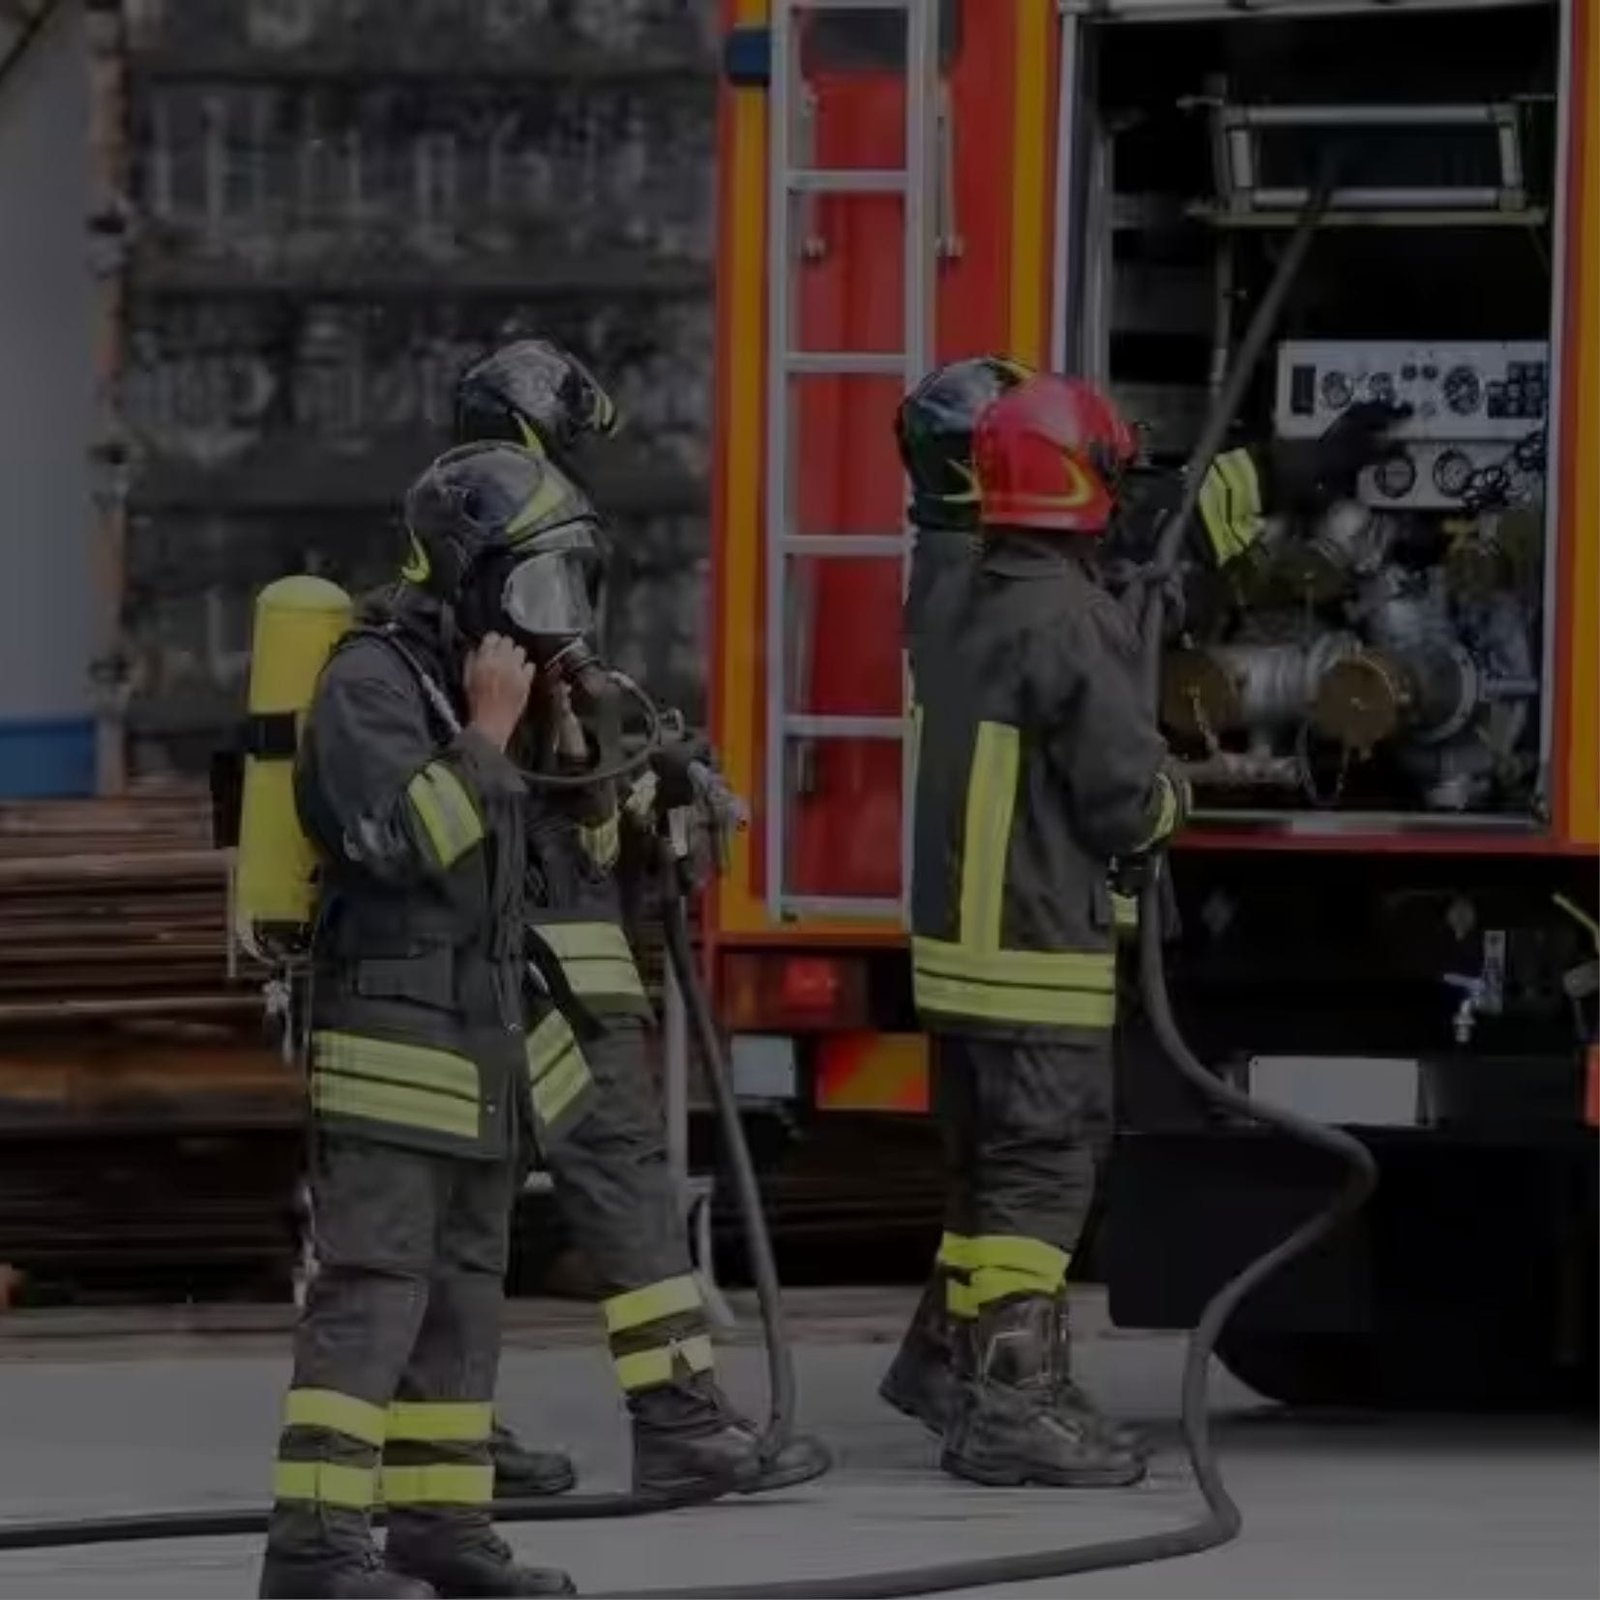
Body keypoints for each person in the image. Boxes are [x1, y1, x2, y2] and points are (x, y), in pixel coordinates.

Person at [453, 339, 830, 1501]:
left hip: (480, 951)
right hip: (552, 940)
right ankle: (678, 1428)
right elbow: (557, 755)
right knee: (616, 1175)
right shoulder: (524, 543)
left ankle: (439, 1443)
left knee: (459, 1201)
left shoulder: (454, 546)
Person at [258, 443, 596, 1599]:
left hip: (475, 1052)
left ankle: (443, 1529)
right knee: (373, 1295)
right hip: (393, 1052)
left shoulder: (461, 679)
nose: (548, 616)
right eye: (533, 587)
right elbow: (396, 838)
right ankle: (313, 1551)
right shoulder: (370, 683)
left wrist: (543, 729)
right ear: (467, 572)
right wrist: (490, 737)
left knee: (463, 1300)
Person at [905, 372, 1188, 1490]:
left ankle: (955, 1370)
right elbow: (1125, 796)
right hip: (1036, 955)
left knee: (986, 1187)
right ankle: (1014, 1405)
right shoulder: (1074, 619)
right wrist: (1176, 796)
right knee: (1042, 1177)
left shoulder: (956, 591)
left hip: (957, 965)